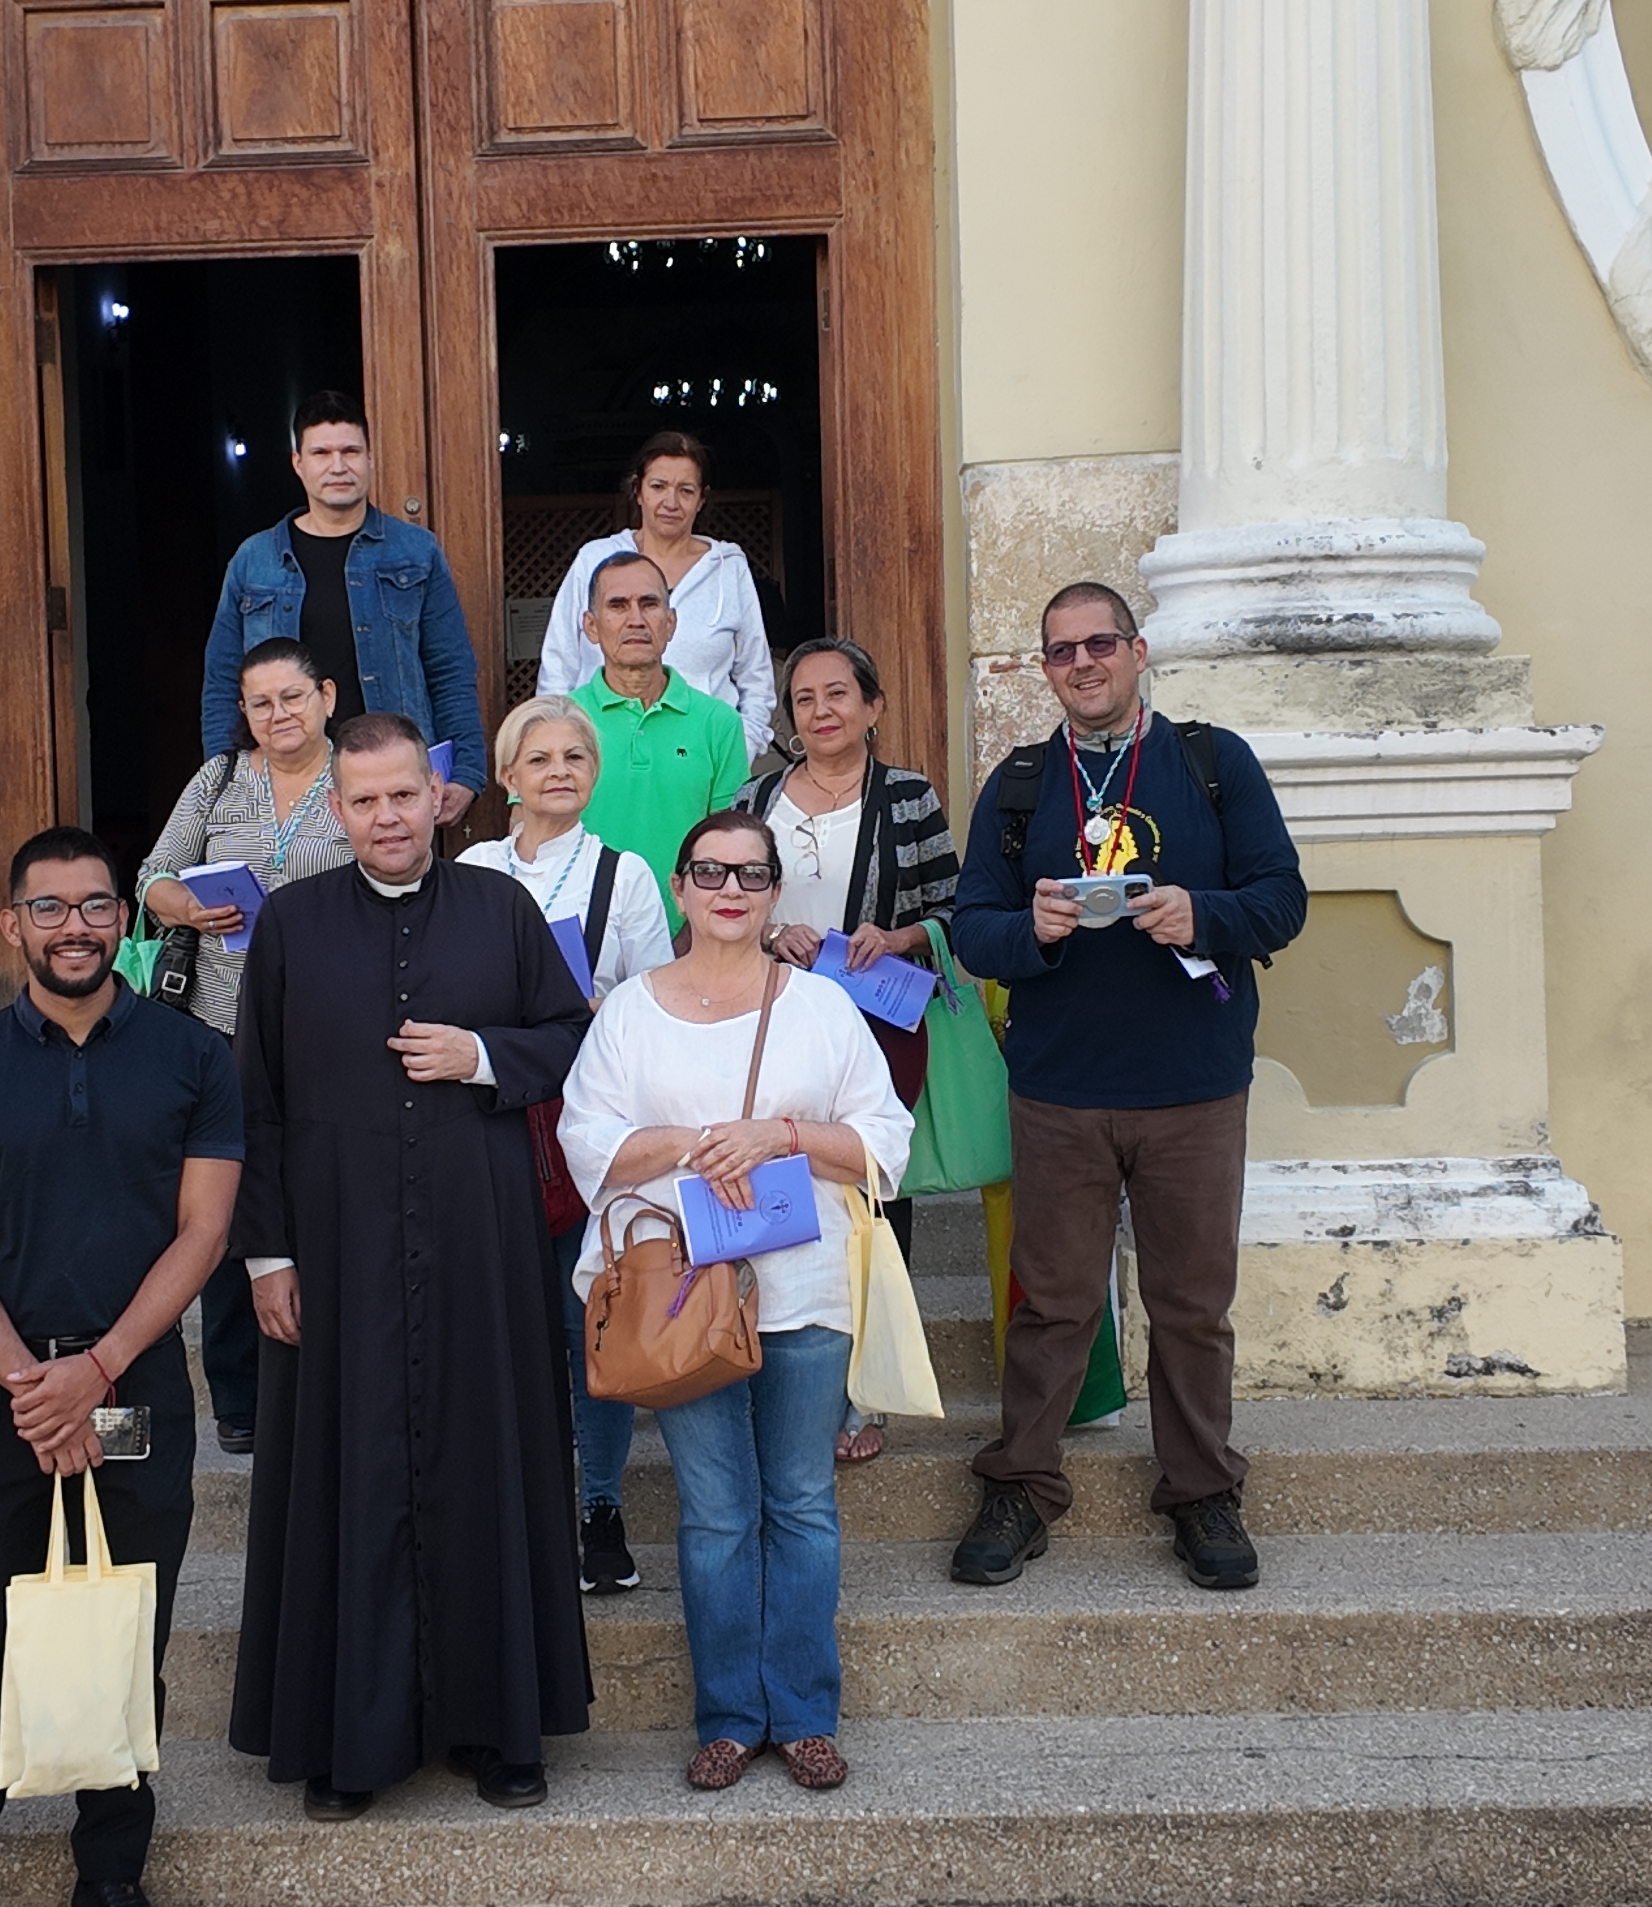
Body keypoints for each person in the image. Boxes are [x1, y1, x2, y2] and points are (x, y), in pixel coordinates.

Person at [226, 713, 598, 1818]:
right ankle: (350, 1742)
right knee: (347, 1473)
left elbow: (572, 1037)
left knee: (488, 1462)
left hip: (480, 1243)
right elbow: (256, 1100)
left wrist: (480, 1055)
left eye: (404, 796)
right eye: (365, 801)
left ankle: (501, 1727)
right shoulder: (290, 925)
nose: (387, 818)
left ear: (439, 798)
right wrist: (267, 1256)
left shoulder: (502, 909)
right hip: (333, 1248)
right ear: (337, 810)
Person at [0, 826, 241, 1907]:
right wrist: (34, 1387)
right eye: (48, 908)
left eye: (95, 906)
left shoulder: (196, 1059)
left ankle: (112, 1875)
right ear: (13, 926)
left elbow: (203, 1233)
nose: (75, 927)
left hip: (133, 1387)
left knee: (123, 1640)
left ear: (122, 920)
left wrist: (98, 1369)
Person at [944, 582, 1307, 1593]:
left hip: (1192, 1087)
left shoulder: (1213, 763)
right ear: (1046, 669)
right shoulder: (1020, 784)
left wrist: (1205, 914)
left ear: (1138, 652)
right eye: (1062, 651)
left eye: (1100, 643)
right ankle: (1022, 1484)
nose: (1084, 663)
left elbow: (1282, 900)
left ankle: (1202, 1492)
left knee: (1191, 1305)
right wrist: (1031, 931)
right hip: (1060, 1089)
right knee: (1052, 1304)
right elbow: (974, 929)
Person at [556, 808, 913, 1795]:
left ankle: (801, 1714)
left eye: (752, 875)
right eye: (709, 872)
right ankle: (727, 1716)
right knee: (717, 1514)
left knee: (800, 1503)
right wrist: (693, 1143)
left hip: (804, 1287)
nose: (730, 889)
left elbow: (884, 1138)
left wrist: (780, 1135)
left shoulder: (821, 1007)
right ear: (679, 888)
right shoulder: (629, 1013)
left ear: (773, 893)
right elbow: (588, 1144)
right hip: (685, 1298)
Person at [458, 693, 677, 1595]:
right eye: (539, 758)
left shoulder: (623, 875)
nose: (559, 772)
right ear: (507, 776)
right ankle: (508, 1508)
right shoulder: (472, 868)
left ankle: (599, 1507)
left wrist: (592, 1005)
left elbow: (656, 1000)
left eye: (575, 758)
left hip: (582, 1124)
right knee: (496, 1323)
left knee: (589, 1317)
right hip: (484, 1119)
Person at [130, 637, 355, 1457]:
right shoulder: (219, 777)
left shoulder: (358, 773)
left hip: (334, 1025)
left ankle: (332, 1376)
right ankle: (240, 1396)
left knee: (327, 1194)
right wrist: (189, 910)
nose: (277, 714)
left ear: (326, 697)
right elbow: (153, 875)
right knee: (225, 1204)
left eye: (292, 697)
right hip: (222, 1024)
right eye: (261, 703)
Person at [741, 636, 961, 1464]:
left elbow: (955, 908)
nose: (822, 711)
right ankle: (762, 1370)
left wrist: (898, 936)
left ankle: (864, 1394)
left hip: (876, 1027)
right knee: (776, 1185)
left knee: (870, 1198)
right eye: (804, 698)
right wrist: (771, 932)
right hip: (774, 1022)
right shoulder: (758, 797)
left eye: (838, 693)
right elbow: (723, 898)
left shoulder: (907, 797)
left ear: (873, 706)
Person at [199, 391, 485, 823]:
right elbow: (224, 679)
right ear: (298, 463)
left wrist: (466, 771)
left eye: (350, 451)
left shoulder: (417, 552)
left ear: (370, 459)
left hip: (390, 775)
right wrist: (225, 779)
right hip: (284, 778)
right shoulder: (253, 560)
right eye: (322, 453)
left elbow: (450, 669)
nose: (338, 466)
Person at [534, 430, 779, 757]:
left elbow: (756, 677)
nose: (671, 502)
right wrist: (561, 749)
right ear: (638, 491)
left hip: (702, 756)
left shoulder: (729, 568)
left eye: (685, 490)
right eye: (658, 486)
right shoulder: (594, 560)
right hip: (602, 755)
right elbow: (558, 666)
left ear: (701, 499)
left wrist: (738, 751)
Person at [568, 550, 754, 931]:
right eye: (617, 605)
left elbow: (731, 845)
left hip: (691, 938)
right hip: (582, 936)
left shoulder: (718, 723)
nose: (636, 619)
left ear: (670, 623)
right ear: (591, 626)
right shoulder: (559, 721)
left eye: (649, 604)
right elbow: (533, 839)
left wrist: (694, 935)